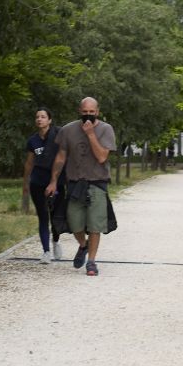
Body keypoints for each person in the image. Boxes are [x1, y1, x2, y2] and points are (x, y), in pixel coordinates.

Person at [46, 97, 117, 277]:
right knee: (74, 223)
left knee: (94, 225)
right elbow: (61, 156)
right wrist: (53, 181)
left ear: (97, 112)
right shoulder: (68, 130)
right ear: (79, 111)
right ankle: (83, 245)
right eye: (85, 112)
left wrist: (91, 134)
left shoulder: (106, 129)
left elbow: (102, 157)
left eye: (92, 112)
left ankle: (91, 261)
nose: (88, 115)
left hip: (97, 183)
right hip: (75, 183)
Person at [22, 107, 66, 263]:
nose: (39, 119)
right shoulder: (32, 141)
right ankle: (46, 251)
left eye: (43, 116)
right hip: (38, 182)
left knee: (55, 216)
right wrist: (26, 182)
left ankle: (56, 241)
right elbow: (29, 162)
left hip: (56, 182)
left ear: (49, 120)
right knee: (42, 216)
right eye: (37, 117)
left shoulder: (58, 136)